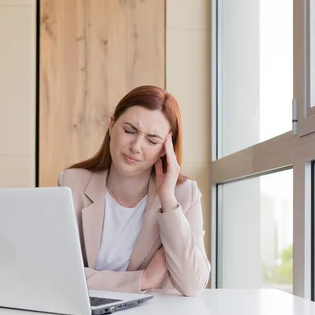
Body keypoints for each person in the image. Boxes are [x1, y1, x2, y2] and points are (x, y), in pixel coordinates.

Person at [57, 85, 210, 296]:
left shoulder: (184, 194)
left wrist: (167, 199)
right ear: (111, 126)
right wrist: (142, 279)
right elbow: (58, 273)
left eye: (152, 140)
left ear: (166, 148)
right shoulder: (72, 183)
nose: (136, 146)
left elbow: (193, 285)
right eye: (129, 131)